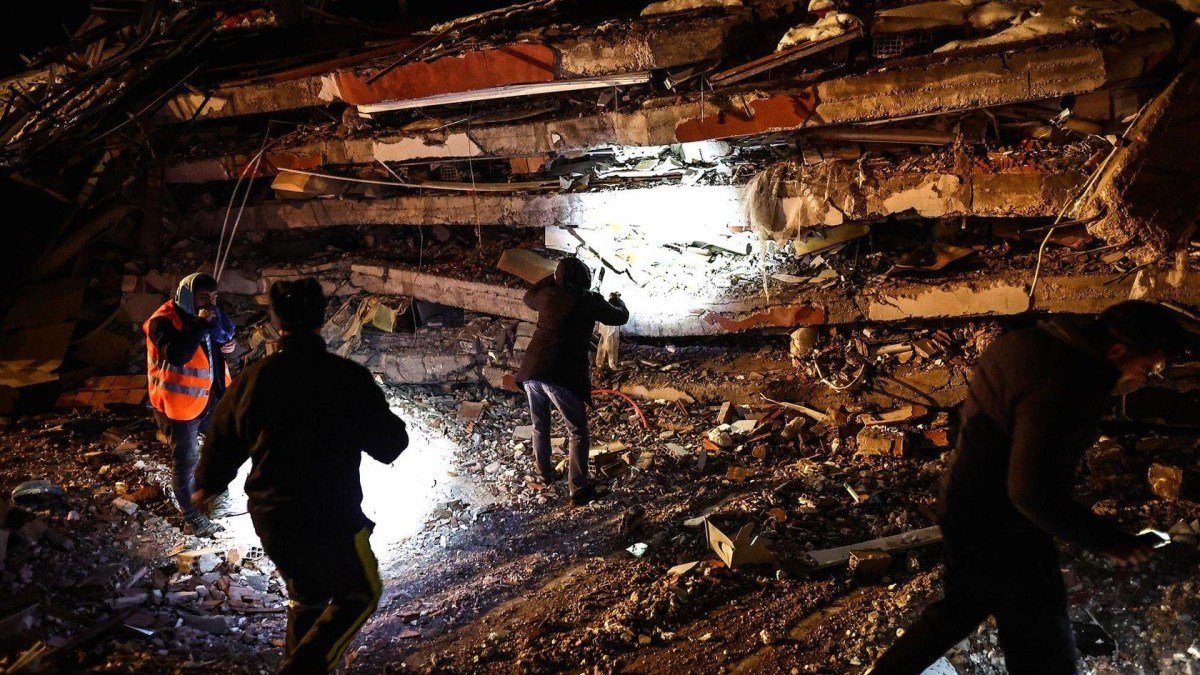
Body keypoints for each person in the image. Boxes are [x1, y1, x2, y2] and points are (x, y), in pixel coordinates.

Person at [870, 300, 1188, 675]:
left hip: (966, 501)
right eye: (1145, 366)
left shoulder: (1027, 342)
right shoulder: (1068, 381)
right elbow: (1031, 490)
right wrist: (1111, 541)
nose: (1141, 377)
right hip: (1004, 523)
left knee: (963, 609)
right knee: (1039, 636)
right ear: (1119, 349)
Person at [192, 278, 408, 674]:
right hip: (333, 517)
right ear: (322, 319)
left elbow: (222, 437)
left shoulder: (254, 379)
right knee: (360, 593)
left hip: (273, 516)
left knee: (308, 597)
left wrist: (208, 485)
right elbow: (390, 445)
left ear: (276, 324)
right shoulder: (345, 377)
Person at [515, 256, 629, 506]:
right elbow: (620, 317)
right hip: (561, 373)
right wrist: (616, 300)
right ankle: (578, 490)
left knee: (540, 425)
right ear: (585, 279)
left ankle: (545, 475)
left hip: (532, 370)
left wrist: (554, 279)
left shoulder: (547, 295)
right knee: (577, 431)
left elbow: (528, 296)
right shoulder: (589, 300)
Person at [144, 272, 236, 536]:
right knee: (186, 461)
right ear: (187, 296)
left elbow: (215, 351)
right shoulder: (162, 322)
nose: (210, 303)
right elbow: (178, 354)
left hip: (210, 399)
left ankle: (215, 497)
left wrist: (230, 346)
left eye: (214, 297)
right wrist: (201, 323)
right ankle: (193, 517)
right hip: (179, 406)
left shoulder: (209, 317)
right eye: (203, 298)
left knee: (221, 447)